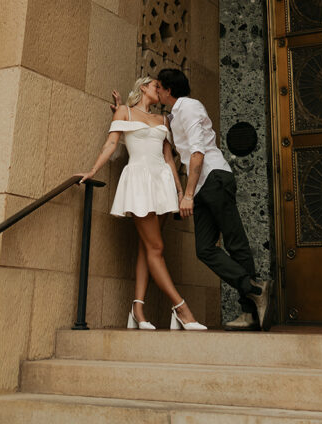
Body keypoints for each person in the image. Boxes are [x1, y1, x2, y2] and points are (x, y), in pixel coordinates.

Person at [114, 68, 272, 331]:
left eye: (159, 86)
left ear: (168, 90)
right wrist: (122, 114)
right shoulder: (172, 116)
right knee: (205, 249)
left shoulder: (188, 108)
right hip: (199, 188)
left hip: (213, 178)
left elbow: (197, 152)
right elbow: (147, 134)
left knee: (235, 242)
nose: (158, 90)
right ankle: (254, 289)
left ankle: (250, 312)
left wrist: (186, 195)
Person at [78, 76, 206, 331]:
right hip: (139, 180)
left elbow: (168, 158)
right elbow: (112, 143)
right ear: (143, 88)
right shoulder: (124, 112)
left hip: (163, 185)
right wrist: (93, 170)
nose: (159, 90)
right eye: (155, 86)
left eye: (160, 86)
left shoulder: (163, 119)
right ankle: (181, 308)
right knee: (156, 247)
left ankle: (137, 309)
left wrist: (180, 192)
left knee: (147, 248)